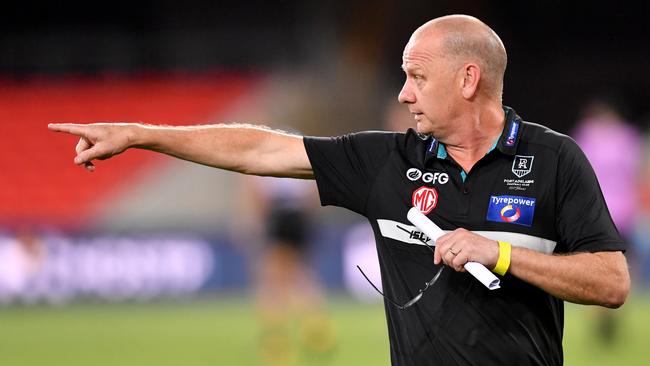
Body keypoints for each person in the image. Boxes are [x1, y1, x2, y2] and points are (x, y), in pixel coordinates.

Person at [49, 14, 630, 366]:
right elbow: (259, 148)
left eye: (417, 77)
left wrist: (500, 252)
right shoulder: (386, 162)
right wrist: (140, 134)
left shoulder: (555, 160)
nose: (404, 93)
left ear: (468, 78)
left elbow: (611, 281)